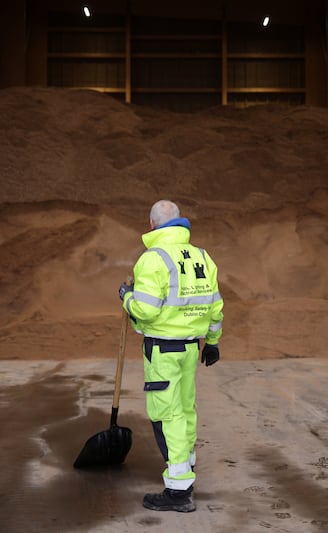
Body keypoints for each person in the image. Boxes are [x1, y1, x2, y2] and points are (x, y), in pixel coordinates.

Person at [118, 199, 224, 513]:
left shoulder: (152, 260)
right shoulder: (203, 257)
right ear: (180, 223)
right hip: (192, 348)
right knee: (185, 409)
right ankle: (187, 465)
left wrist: (127, 300)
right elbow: (216, 307)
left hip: (163, 350)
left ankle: (179, 490)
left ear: (152, 225)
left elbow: (146, 311)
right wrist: (213, 342)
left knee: (167, 416)